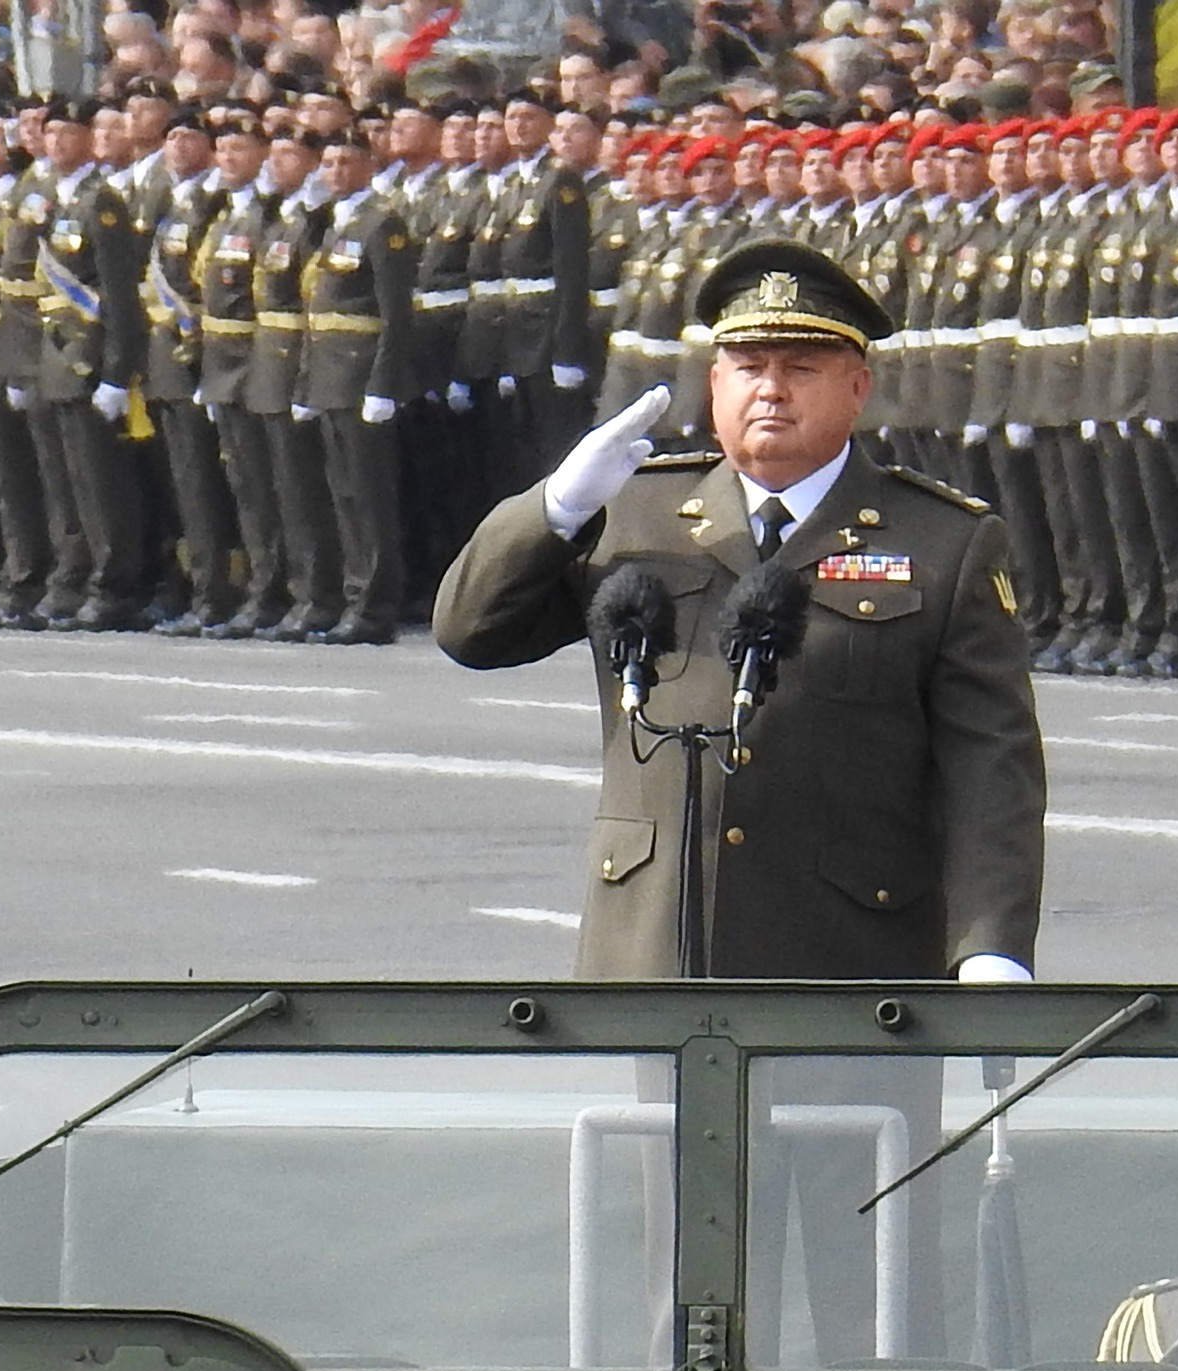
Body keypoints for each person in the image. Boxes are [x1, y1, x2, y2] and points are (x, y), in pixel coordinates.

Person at [433, 241, 1045, 985]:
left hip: (854, 951)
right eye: (751, 368)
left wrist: (992, 945)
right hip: (659, 942)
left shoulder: (943, 541)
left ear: (858, 387)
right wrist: (555, 507)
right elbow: (470, 631)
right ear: (715, 384)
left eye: (801, 369)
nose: (772, 391)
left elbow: (991, 764)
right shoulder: (637, 514)